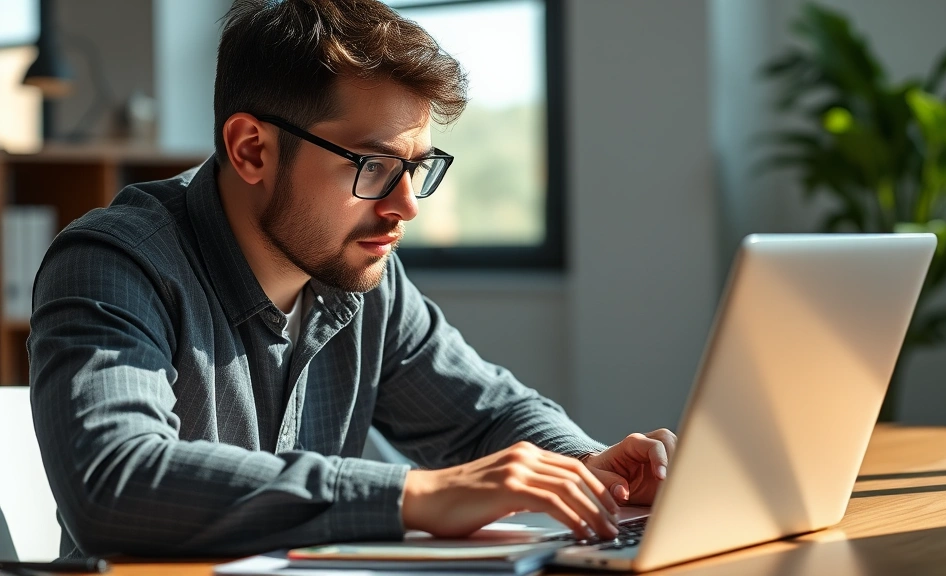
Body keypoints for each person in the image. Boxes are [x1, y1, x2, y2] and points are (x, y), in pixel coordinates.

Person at [29, 0, 676, 559]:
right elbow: (114, 481)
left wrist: (591, 468)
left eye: (418, 167)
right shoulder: (113, 263)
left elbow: (488, 415)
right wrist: (416, 493)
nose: (406, 206)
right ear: (251, 148)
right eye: (372, 165)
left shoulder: (363, 277)